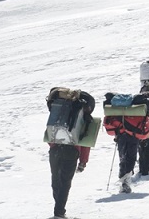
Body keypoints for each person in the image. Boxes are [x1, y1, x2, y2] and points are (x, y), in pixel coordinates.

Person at [47, 90, 94, 219]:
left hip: (55, 149)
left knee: (56, 180)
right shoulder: (84, 118)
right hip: (71, 151)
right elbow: (85, 142)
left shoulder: (59, 111)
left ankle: (59, 209)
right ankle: (59, 212)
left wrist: (54, 146)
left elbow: (49, 133)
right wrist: (83, 161)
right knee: (65, 182)